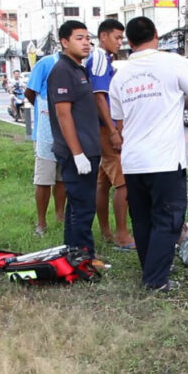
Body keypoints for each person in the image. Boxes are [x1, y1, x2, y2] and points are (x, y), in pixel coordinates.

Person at [108, 17, 188, 292]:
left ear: (129, 42)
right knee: (168, 219)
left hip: (133, 160)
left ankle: (151, 268)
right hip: (164, 159)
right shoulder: (172, 63)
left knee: (141, 218)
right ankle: (155, 280)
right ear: (156, 35)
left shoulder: (120, 75)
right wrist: (178, 99)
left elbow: (119, 120)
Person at [47, 21, 102, 259]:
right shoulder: (62, 70)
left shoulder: (79, 68)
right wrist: (77, 153)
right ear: (65, 42)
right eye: (79, 38)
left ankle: (73, 254)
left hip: (89, 148)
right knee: (83, 208)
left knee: (76, 206)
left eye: (88, 38)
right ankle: (84, 257)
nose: (86, 43)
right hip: (75, 152)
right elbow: (63, 113)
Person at [85, 19, 136, 250]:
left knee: (103, 180)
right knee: (122, 182)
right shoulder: (98, 57)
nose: (119, 42)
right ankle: (122, 235)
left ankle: (106, 232)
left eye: (121, 38)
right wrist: (114, 131)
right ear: (103, 36)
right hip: (104, 128)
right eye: (116, 37)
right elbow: (98, 95)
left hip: (103, 127)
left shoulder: (105, 59)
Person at [24, 53, 65, 236]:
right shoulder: (46, 63)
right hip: (46, 132)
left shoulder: (77, 66)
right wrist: (44, 112)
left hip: (66, 132)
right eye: (79, 38)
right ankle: (41, 223)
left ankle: (60, 216)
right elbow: (29, 92)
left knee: (62, 178)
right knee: (44, 179)